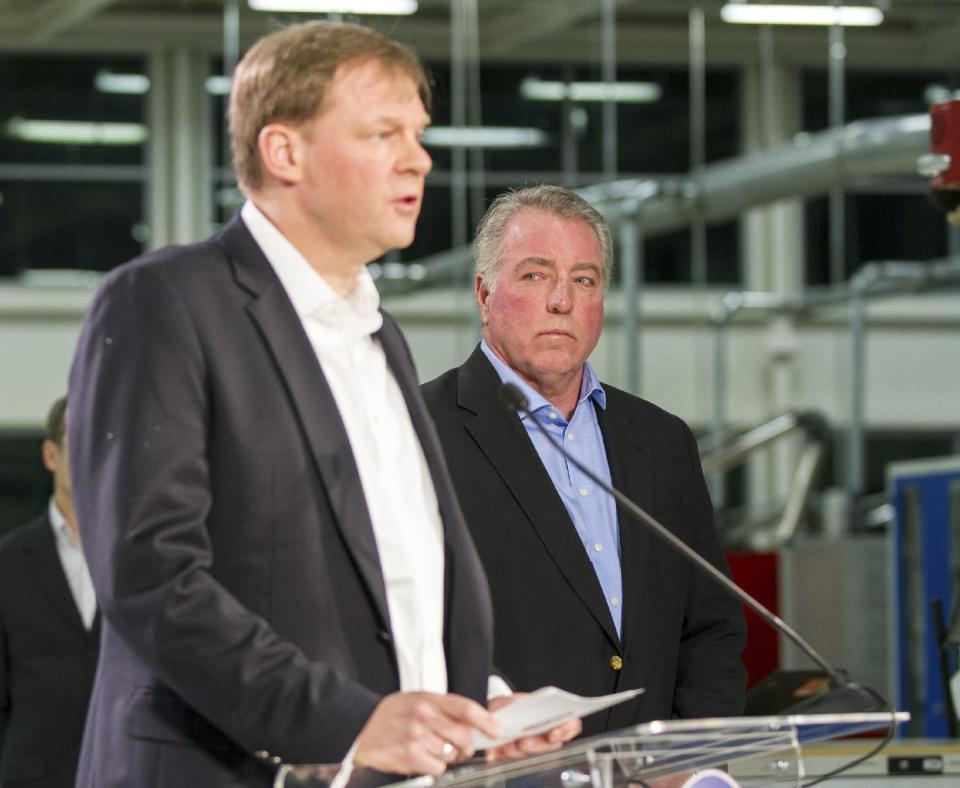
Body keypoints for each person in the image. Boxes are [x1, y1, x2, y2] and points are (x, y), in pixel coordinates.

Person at [67, 23, 575, 788]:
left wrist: (476, 713)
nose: (418, 158)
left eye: (418, 134)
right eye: (382, 133)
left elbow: (395, 584)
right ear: (284, 153)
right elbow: (151, 575)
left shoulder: (380, 336)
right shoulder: (166, 301)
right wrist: (349, 724)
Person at [422, 186, 747, 737]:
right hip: (502, 767)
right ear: (484, 293)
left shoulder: (662, 441)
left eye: (584, 279)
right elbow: (411, 626)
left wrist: (690, 754)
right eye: (535, 275)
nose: (562, 301)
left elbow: (711, 626)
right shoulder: (421, 429)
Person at [0, 397, 99, 788]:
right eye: (79, 441)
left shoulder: (140, 559)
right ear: (50, 454)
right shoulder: (7, 562)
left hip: (122, 772)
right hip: (34, 775)